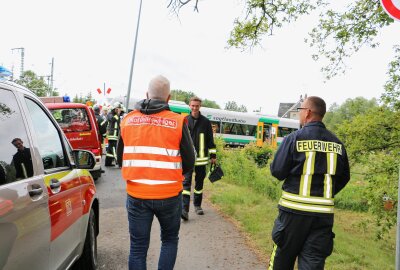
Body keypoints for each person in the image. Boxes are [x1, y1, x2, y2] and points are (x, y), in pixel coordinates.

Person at [117, 75, 195, 270]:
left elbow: (120, 158)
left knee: (137, 247)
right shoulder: (178, 122)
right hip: (169, 195)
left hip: (137, 194)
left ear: (147, 95)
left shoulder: (127, 120)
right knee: (169, 240)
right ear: (168, 98)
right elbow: (190, 161)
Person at [268, 96, 350, 270]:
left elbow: (277, 171)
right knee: (312, 263)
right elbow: (344, 177)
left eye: (300, 110)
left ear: (308, 112)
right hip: (322, 216)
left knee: (282, 261)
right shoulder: (338, 145)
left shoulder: (294, 139)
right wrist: (326, 193)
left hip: (292, 213)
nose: (299, 115)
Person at [181, 96, 217, 221]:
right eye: (193, 105)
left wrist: (213, 156)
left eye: (197, 106)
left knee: (199, 184)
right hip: (187, 158)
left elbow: (210, 141)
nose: (195, 108)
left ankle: (197, 205)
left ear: (200, 106)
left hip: (201, 159)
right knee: (185, 184)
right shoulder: (184, 120)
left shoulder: (206, 122)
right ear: (189, 106)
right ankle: (184, 209)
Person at [105, 102, 122, 166]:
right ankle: (118, 161)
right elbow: (112, 119)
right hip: (112, 135)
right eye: (117, 109)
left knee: (109, 150)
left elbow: (118, 123)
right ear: (115, 109)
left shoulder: (116, 115)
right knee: (114, 148)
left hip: (115, 135)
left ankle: (108, 163)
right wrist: (117, 114)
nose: (119, 110)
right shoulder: (110, 114)